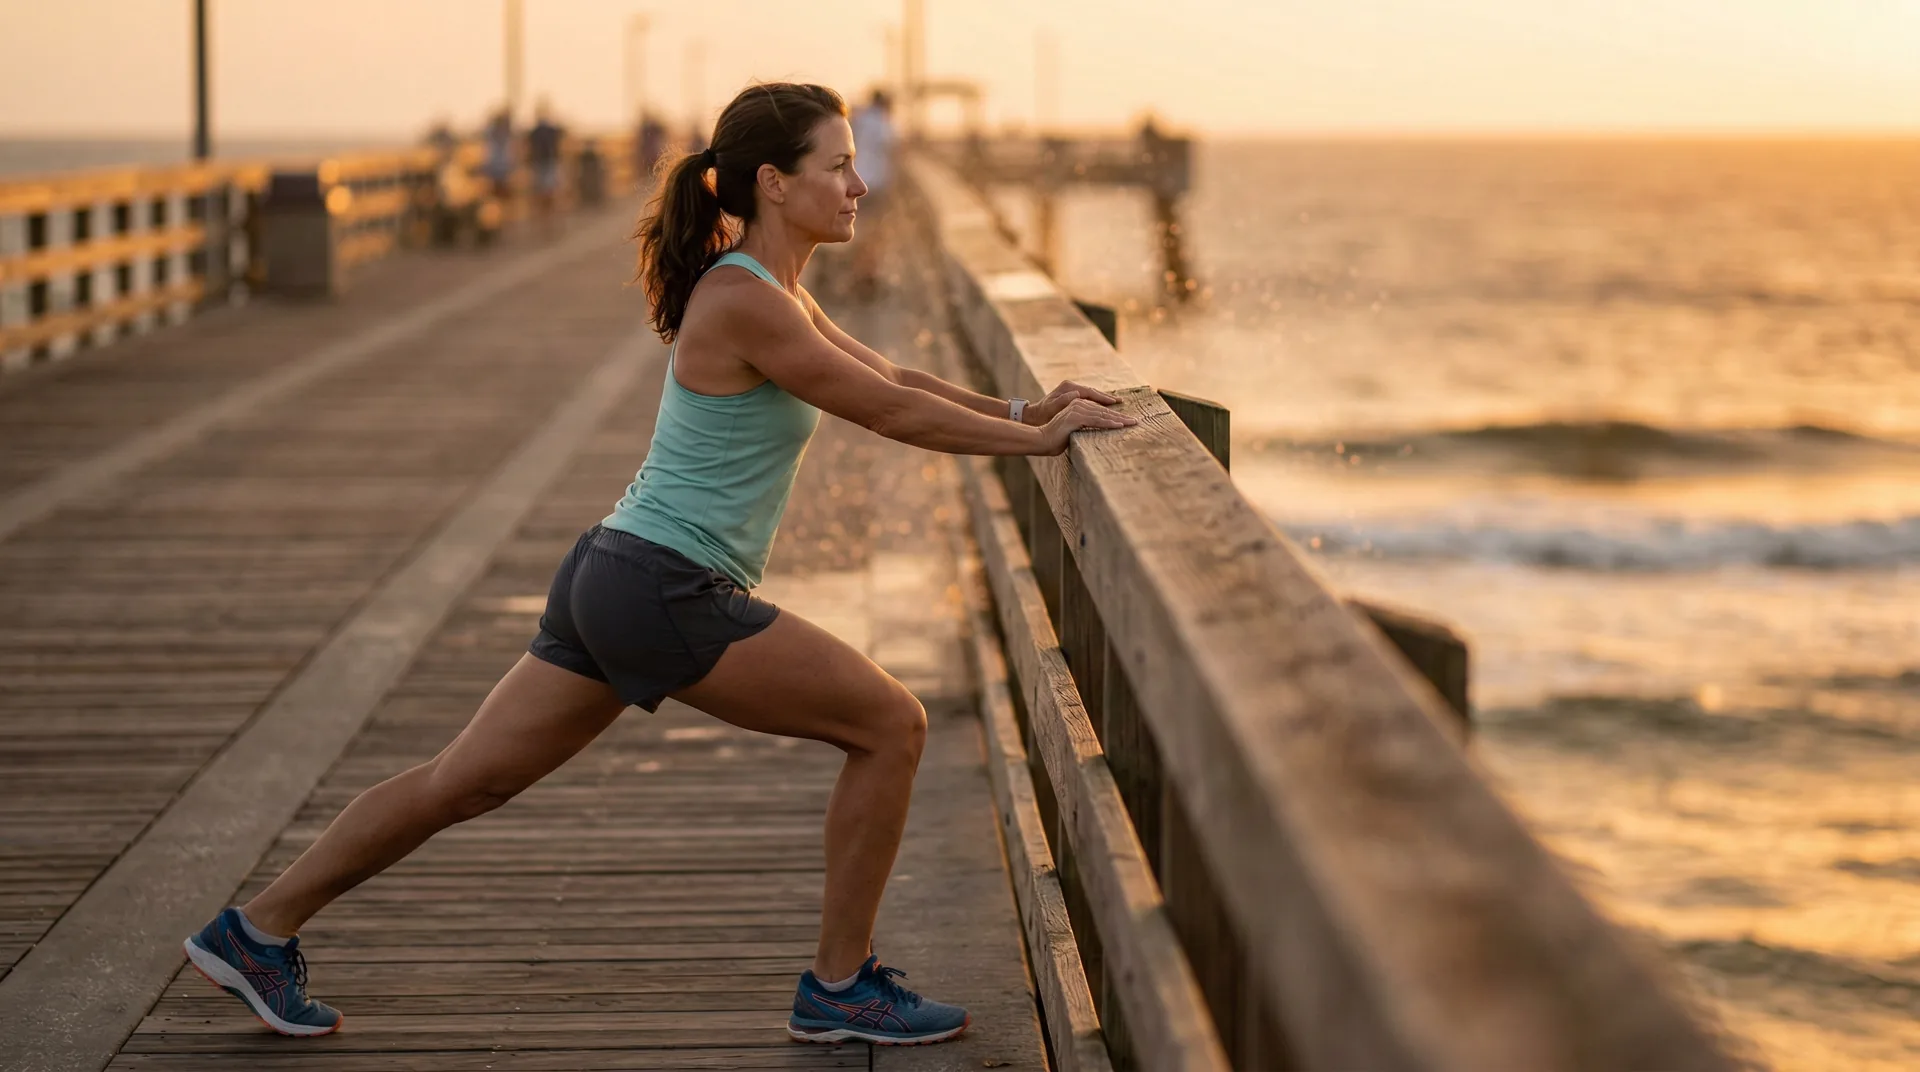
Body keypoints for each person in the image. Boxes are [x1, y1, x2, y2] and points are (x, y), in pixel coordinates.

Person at [180, 81, 1134, 1045]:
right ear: (774, 182)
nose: (859, 184)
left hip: (616, 572)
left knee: (460, 783)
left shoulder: (773, 292)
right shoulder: (742, 298)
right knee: (891, 726)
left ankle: (256, 929)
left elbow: (891, 378)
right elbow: (884, 415)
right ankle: (840, 988)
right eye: (837, 166)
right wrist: (1043, 451)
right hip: (664, 585)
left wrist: (1027, 414)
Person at [847, 89, 897, 296]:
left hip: (856, 182)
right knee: (874, 232)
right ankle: (868, 275)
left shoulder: (859, 119)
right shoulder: (884, 124)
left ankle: (858, 274)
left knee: (856, 231)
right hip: (876, 185)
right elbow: (894, 152)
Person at [527, 101, 567, 237]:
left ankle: (546, 225)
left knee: (545, 196)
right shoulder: (548, 130)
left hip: (544, 165)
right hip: (546, 165)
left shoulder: (538, 131)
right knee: (548, 196)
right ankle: (548, 225)